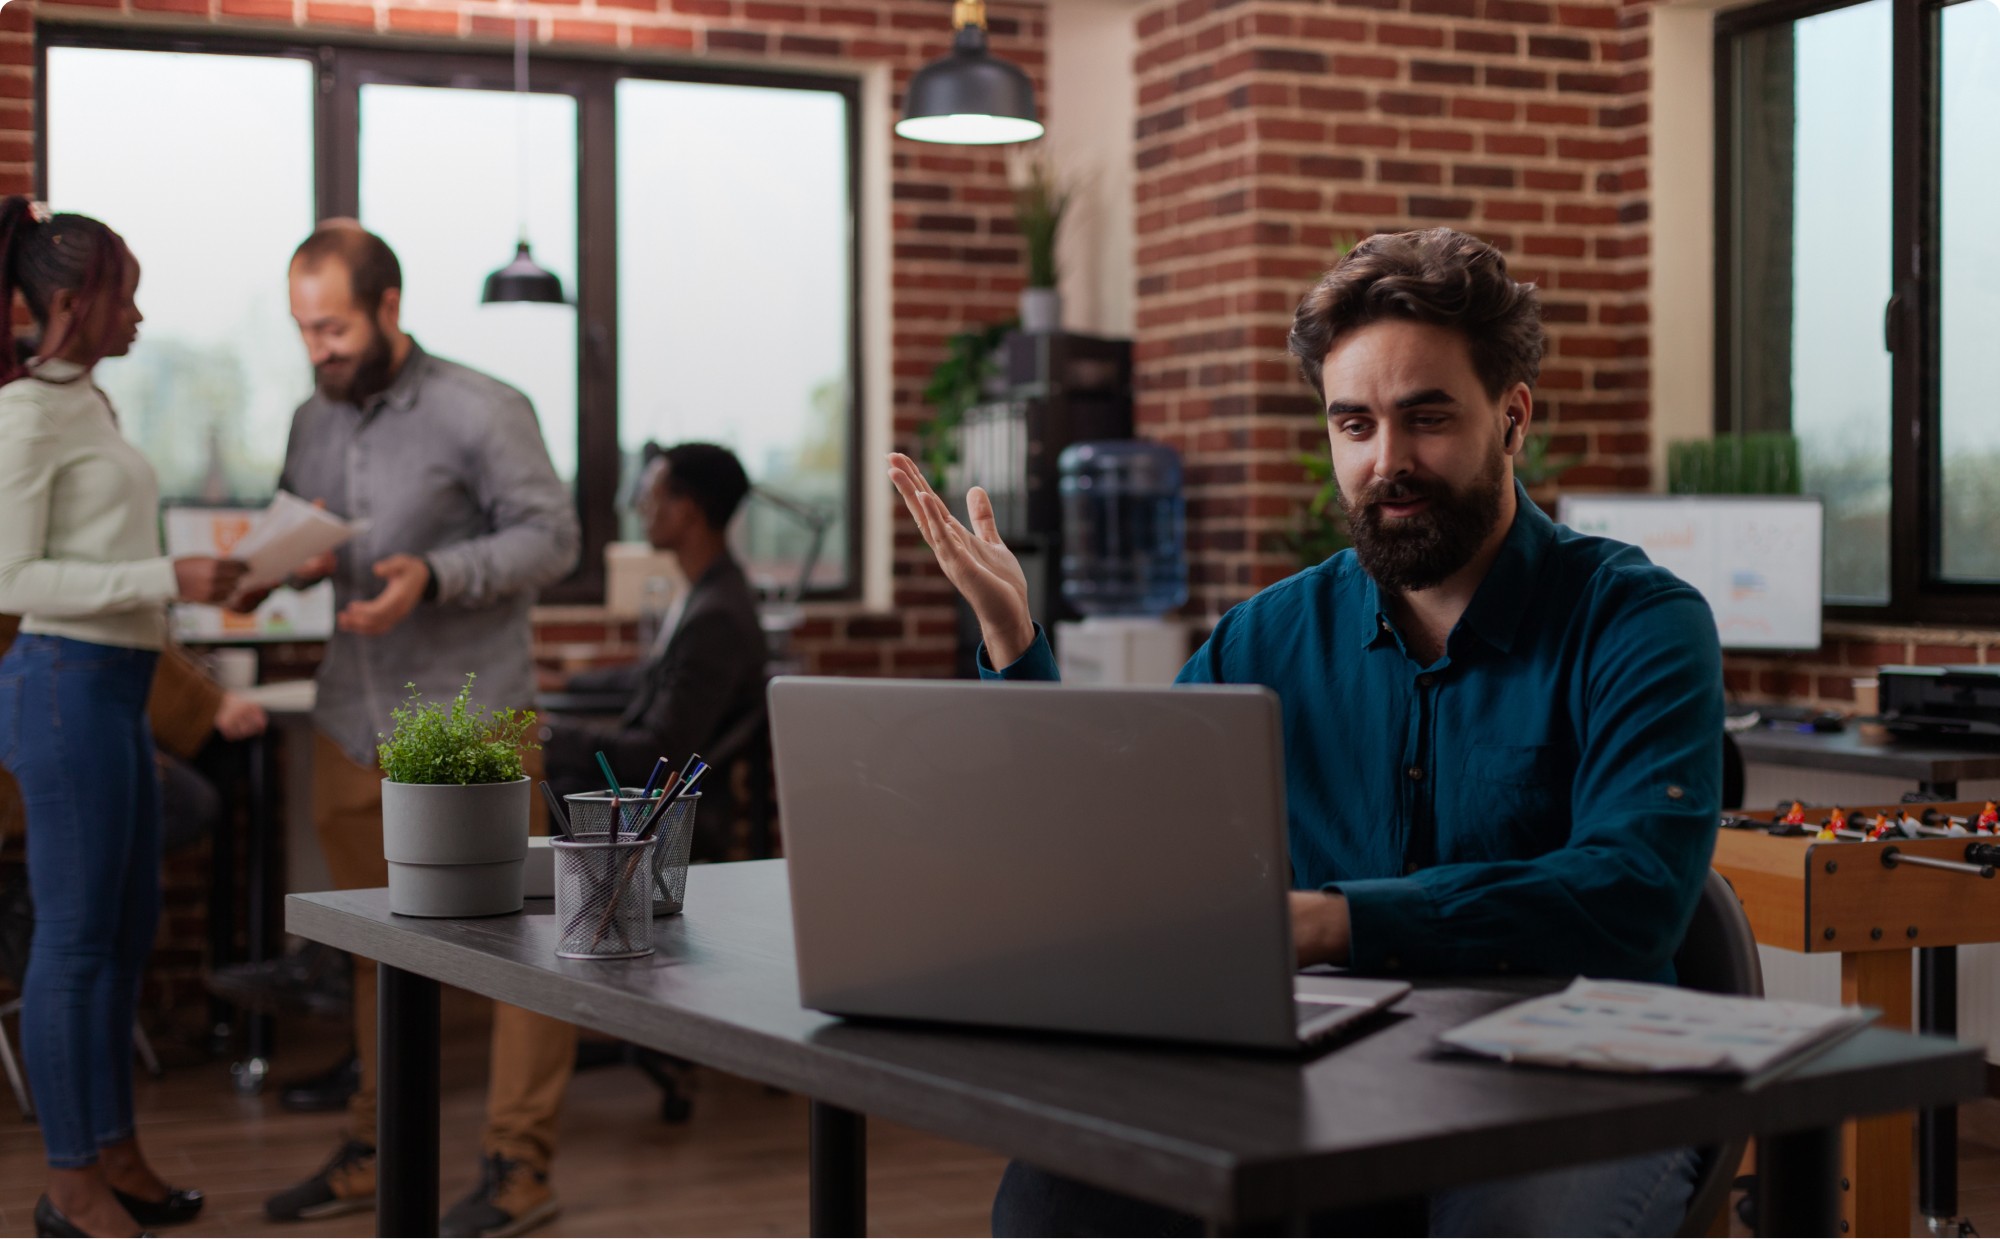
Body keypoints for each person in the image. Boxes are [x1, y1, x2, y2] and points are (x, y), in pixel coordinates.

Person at [888, 227, 1723, 1238]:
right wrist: (1016, 642)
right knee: (1057, 1197)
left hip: (1576, 1072)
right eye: (1354, 424)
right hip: (1338, 1061)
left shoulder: (1636, 621)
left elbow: (1630, 890)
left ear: (1510, 420)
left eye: (1425, 419)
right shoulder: (1268, 634)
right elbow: (1128, 825)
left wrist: (1333, 922)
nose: (1386, 462)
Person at [249, 221, 582, 1233]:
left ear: (388, 307)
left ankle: (518, 1167)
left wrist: (434, 575)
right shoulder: (315, 417)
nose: (321, 350)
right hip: (351, 713)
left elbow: (553, 537)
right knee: (370, 949)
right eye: (306, 330)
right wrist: (297, 559)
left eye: (336, 328)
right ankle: (375, 1146)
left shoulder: (481, 408)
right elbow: (317, 524)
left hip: (471, 724)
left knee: (517, 949)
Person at [0, 198, 247, 1238]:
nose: (139, 316)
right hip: (61, 686)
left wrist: (189, 586)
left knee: (125, 931)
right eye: (125, 295)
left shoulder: (87, 404)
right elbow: (10, 573)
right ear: (71, 301)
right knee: (75, 941)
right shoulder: (24, 414)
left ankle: (116, 1153)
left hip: (112, 690)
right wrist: (166, 572)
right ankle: (68, 1185)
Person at [540, 441, 768, 855]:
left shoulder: (716, 616)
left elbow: (660, 753)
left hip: (668, 819)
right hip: (656, 804)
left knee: (542, 791)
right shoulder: (708, 593)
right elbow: (653, 676)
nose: (641, 507)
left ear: (687, 509)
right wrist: (567, 681)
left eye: (652, 495)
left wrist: (549, 733)